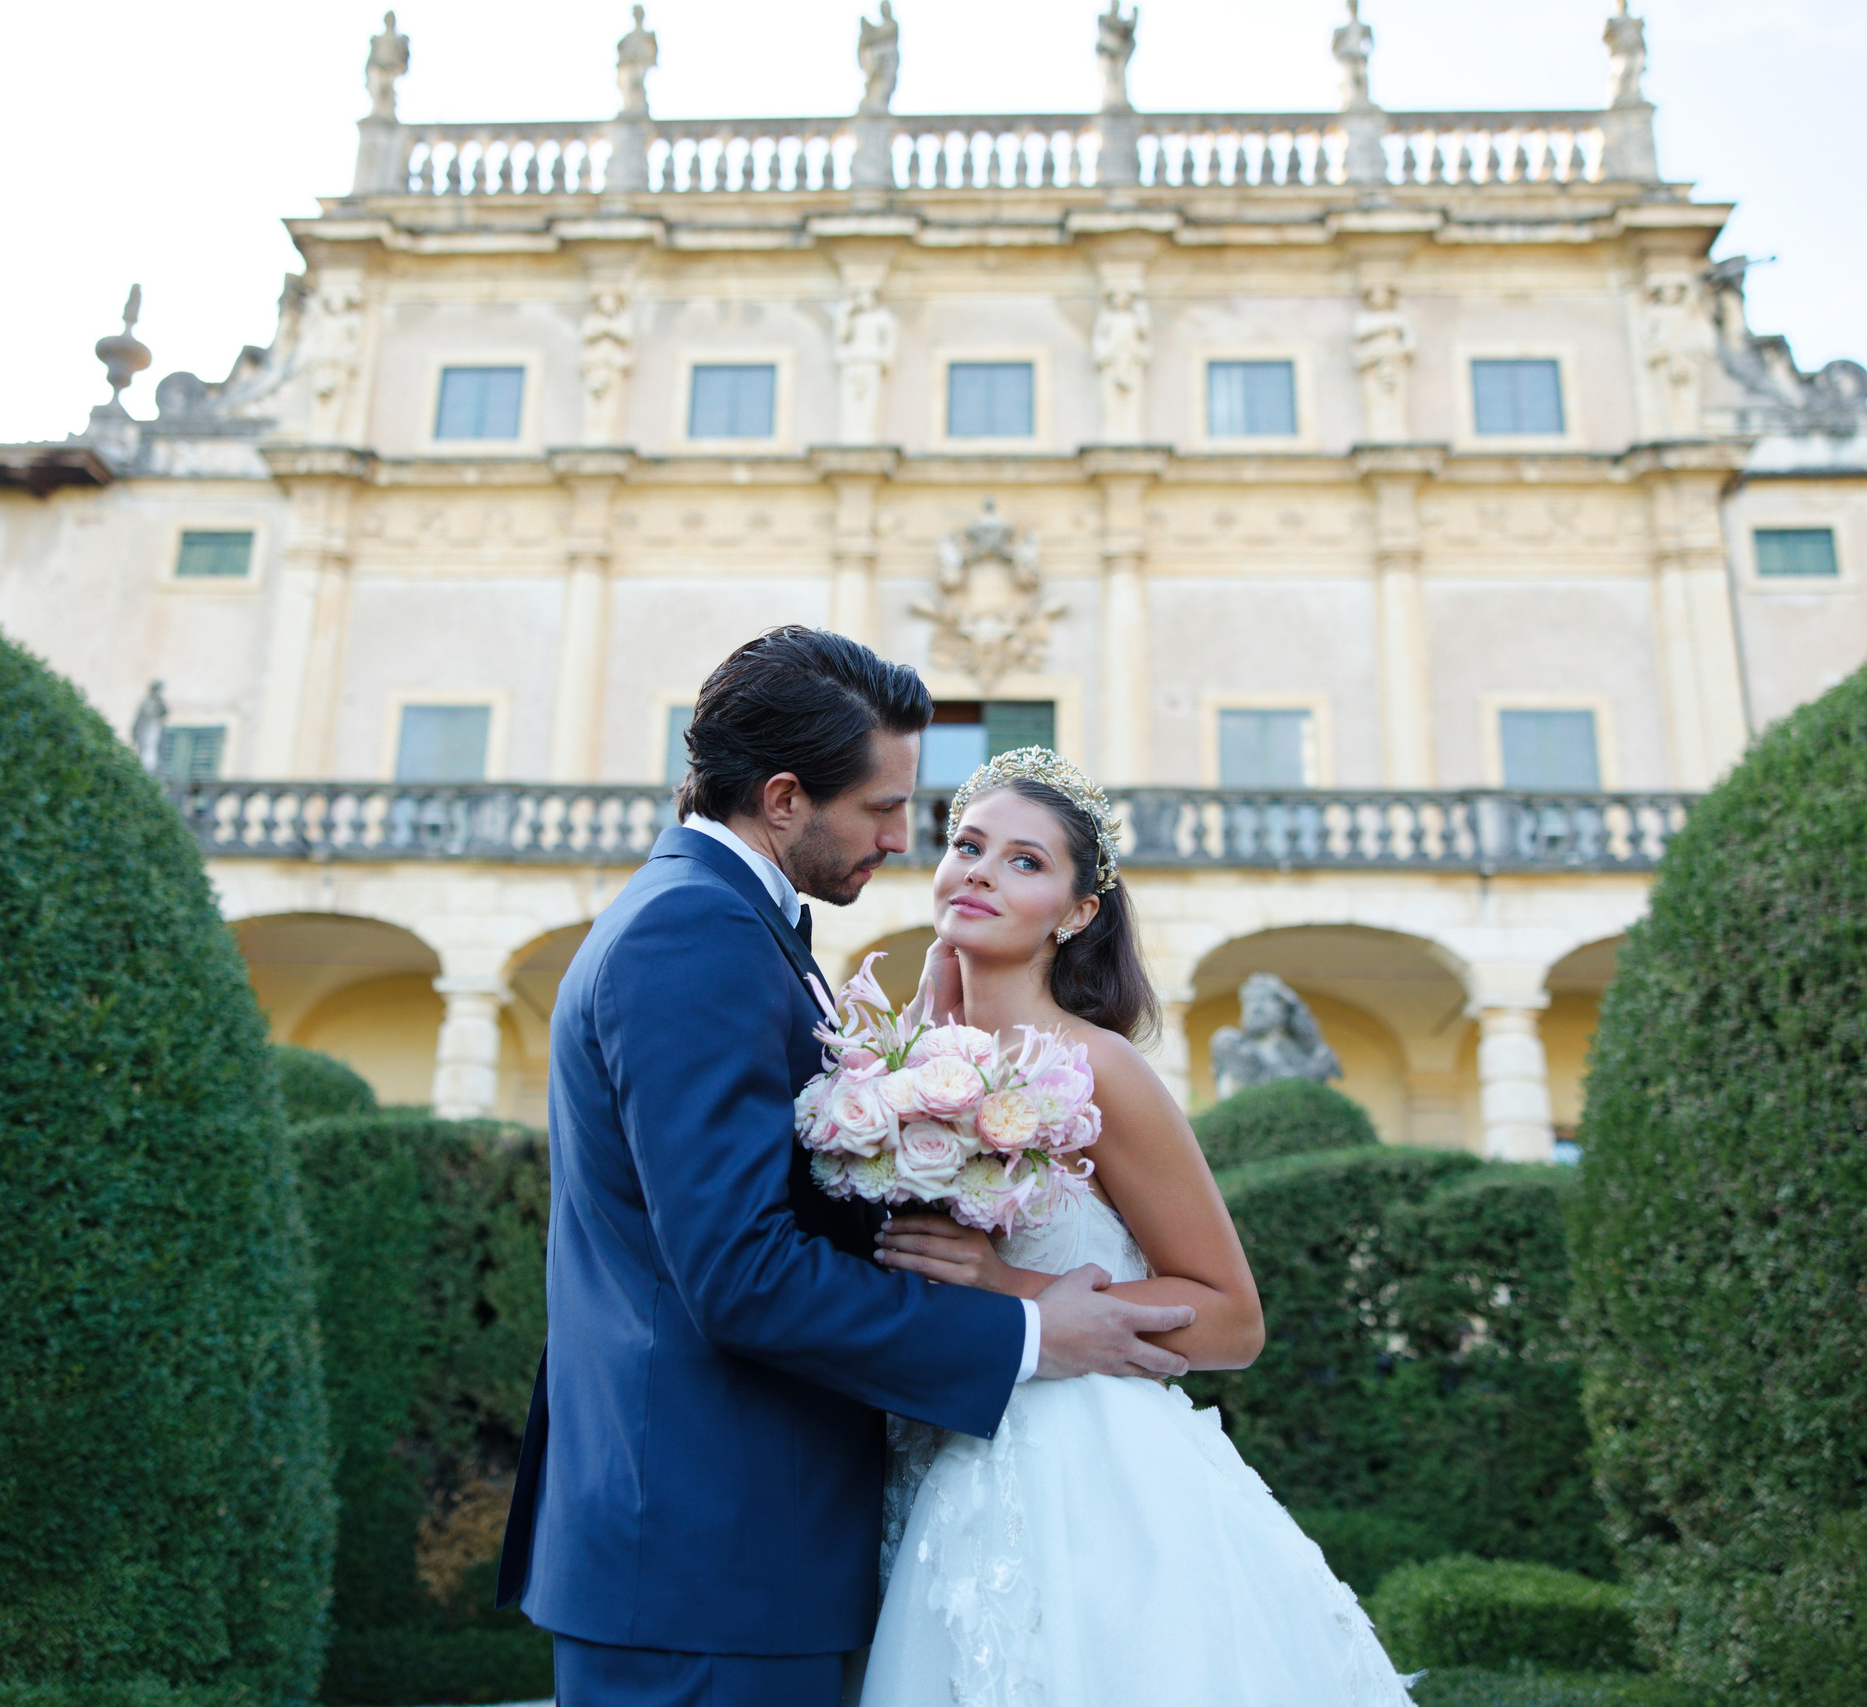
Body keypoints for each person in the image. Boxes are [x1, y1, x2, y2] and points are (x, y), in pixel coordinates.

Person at [494, 629, 1197, 1707]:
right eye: (881, 809)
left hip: (748, 1542)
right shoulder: (693, 932)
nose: (903, 839)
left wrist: (919, 1080)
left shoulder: (745, 928)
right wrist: (1027, 1328)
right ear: (783, 799)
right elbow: (739, 1272)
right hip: (708, 1550)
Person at [860, 747, 1416, 1706]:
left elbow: (1233, 1322)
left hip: (1088, 1483)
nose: (982, 870)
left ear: (1077, 914)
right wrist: (910, 1048)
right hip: (926, 1464)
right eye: (968, 844)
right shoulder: (889, 1063)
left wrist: (1011, 1288)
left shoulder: (1100, 1069)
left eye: (1026, 861)